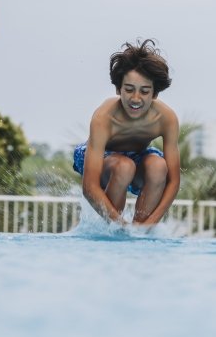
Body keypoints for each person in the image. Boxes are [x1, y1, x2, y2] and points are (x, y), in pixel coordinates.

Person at [73, 40, 181, 227]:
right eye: (129, 90)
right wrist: (120, 225)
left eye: (144, 92)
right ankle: (113, 230)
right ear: (118, 89)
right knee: (124, 167)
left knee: (158, 166)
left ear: (154, 94)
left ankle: (138, 232)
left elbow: (173, 182)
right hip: (100, 161)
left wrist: (149, 224)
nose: (136, 99)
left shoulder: (166, 118)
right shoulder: (104, 118)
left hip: (137, 158)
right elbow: (89, 187)